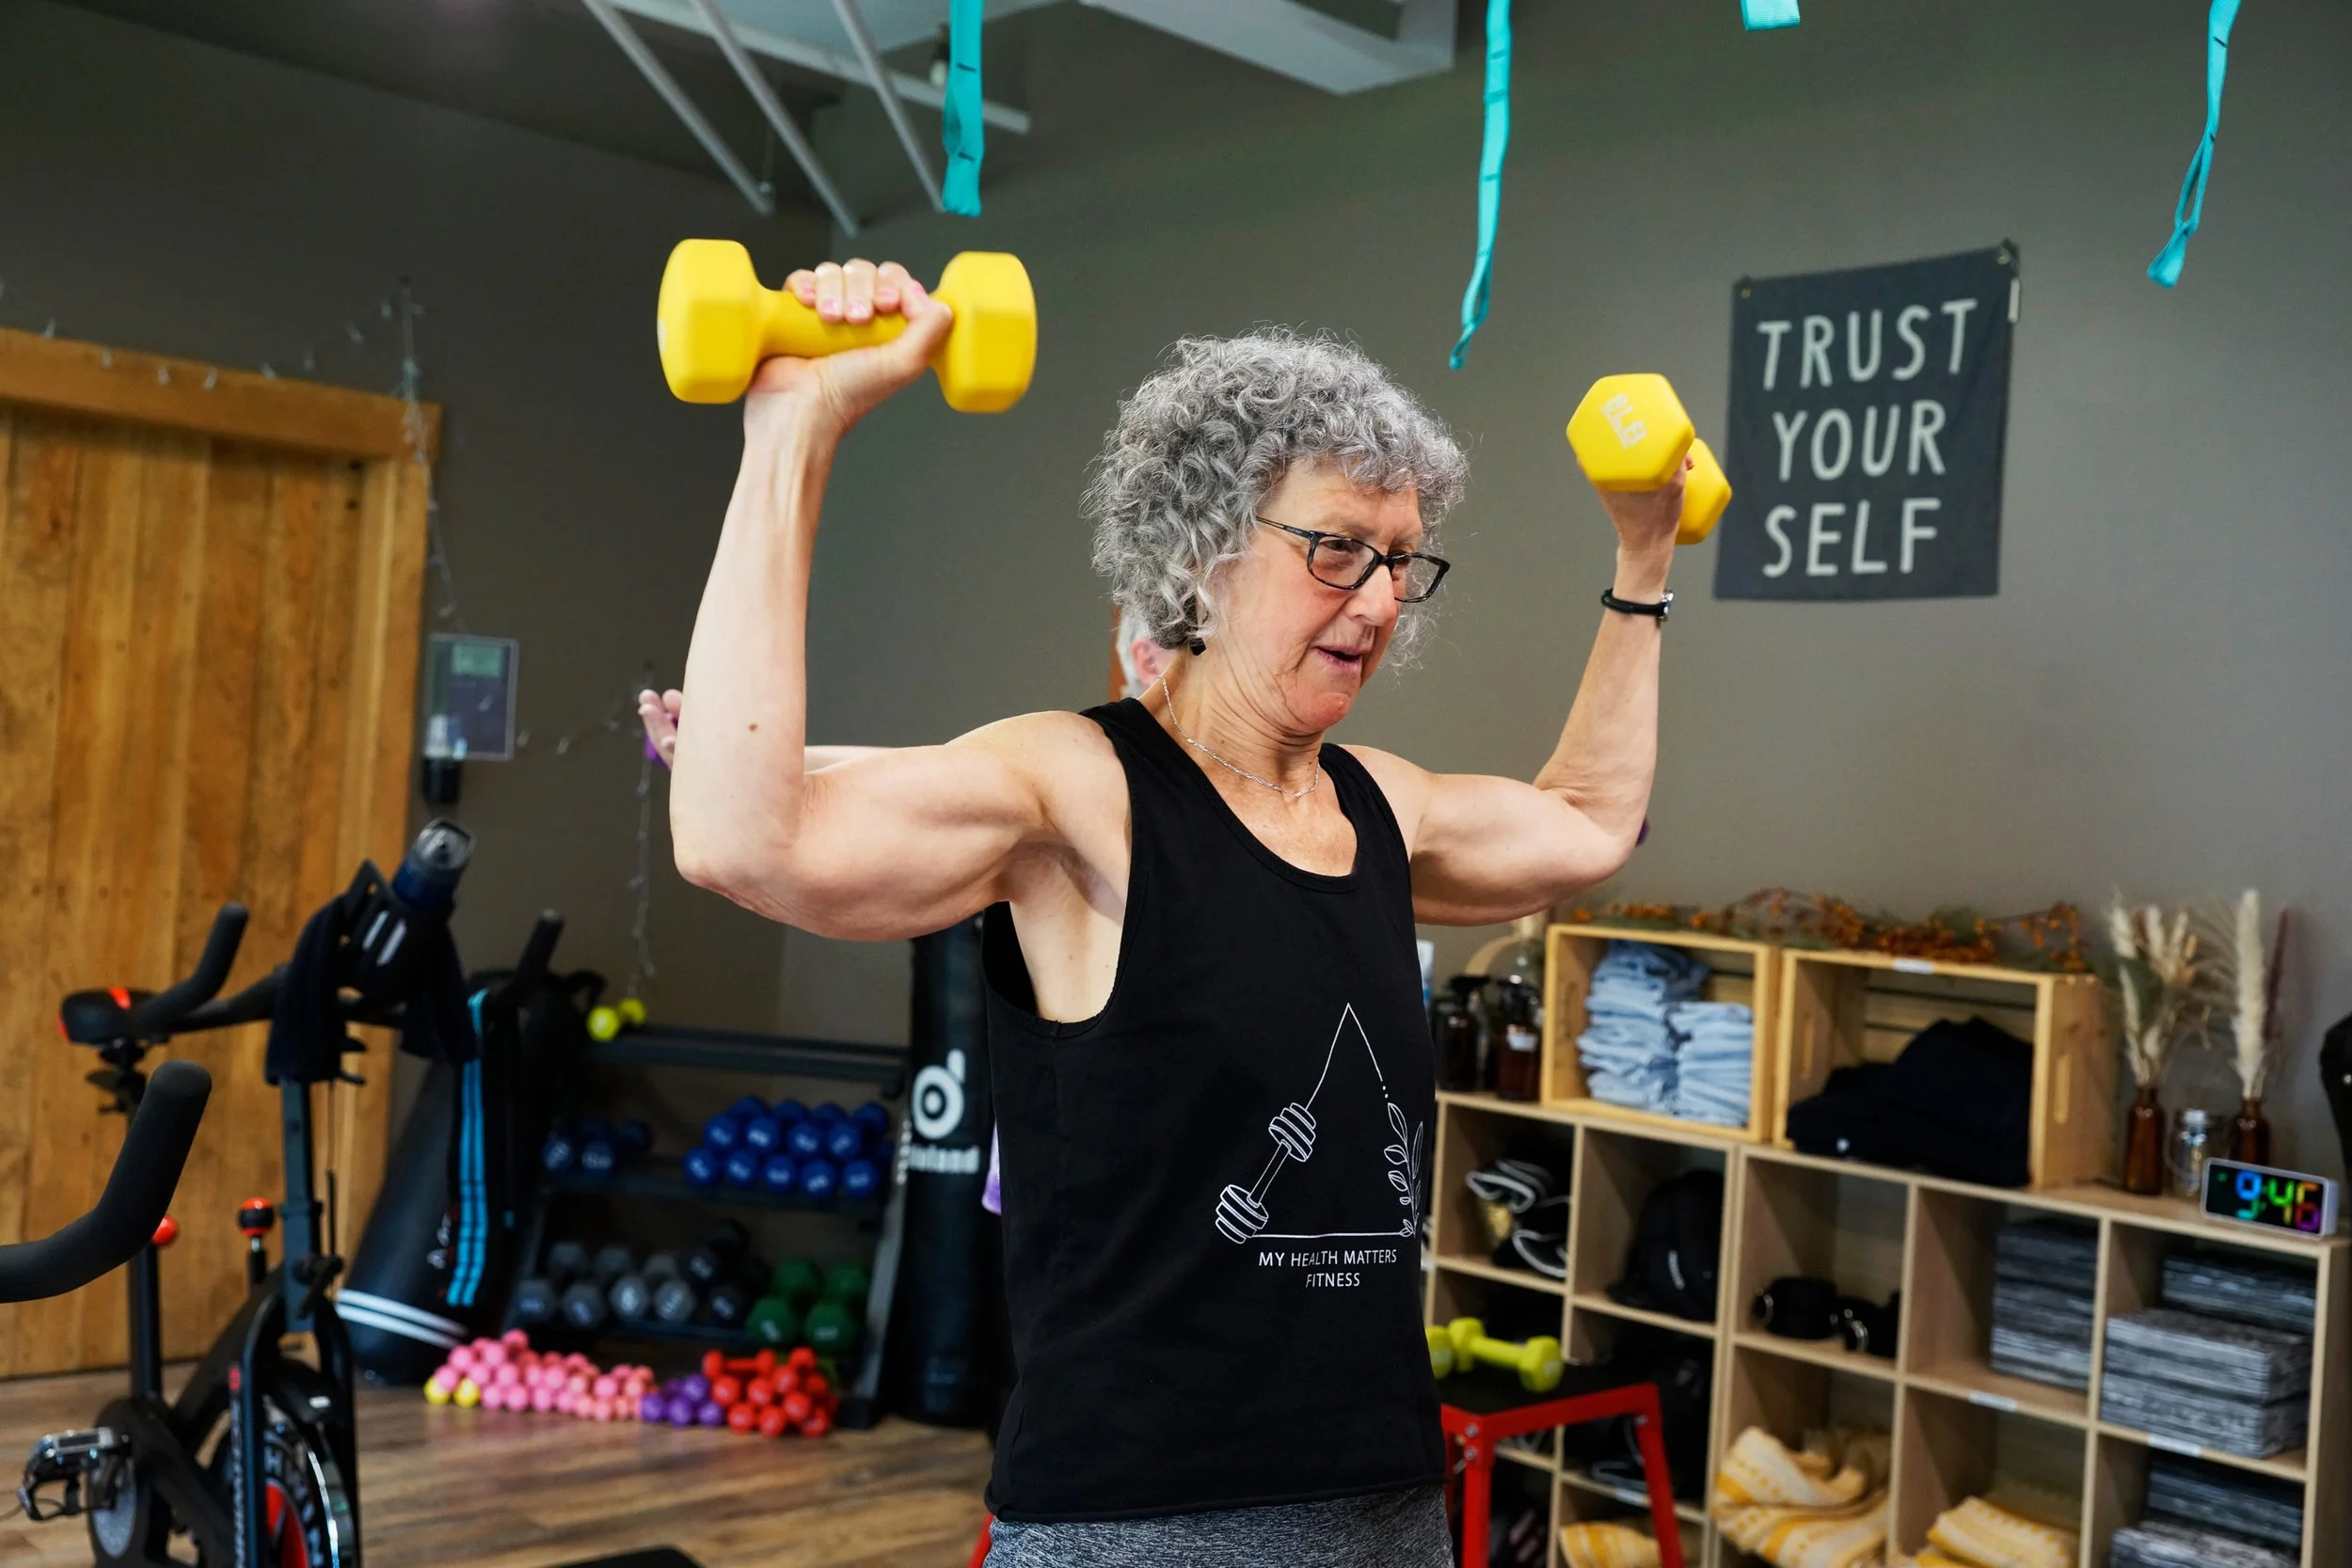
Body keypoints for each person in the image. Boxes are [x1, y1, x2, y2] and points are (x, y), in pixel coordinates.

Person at [649, 258, 1685, 1566]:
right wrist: (794, 426)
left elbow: (1587, 818)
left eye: (1398, 563)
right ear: (1203, 547)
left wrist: (1643, 558)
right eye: (1333, 552)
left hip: (1387, 1511)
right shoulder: (1080, 790)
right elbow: (745, 835)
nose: (1374, 601)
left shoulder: (1383, 807)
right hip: (1137, 1526)